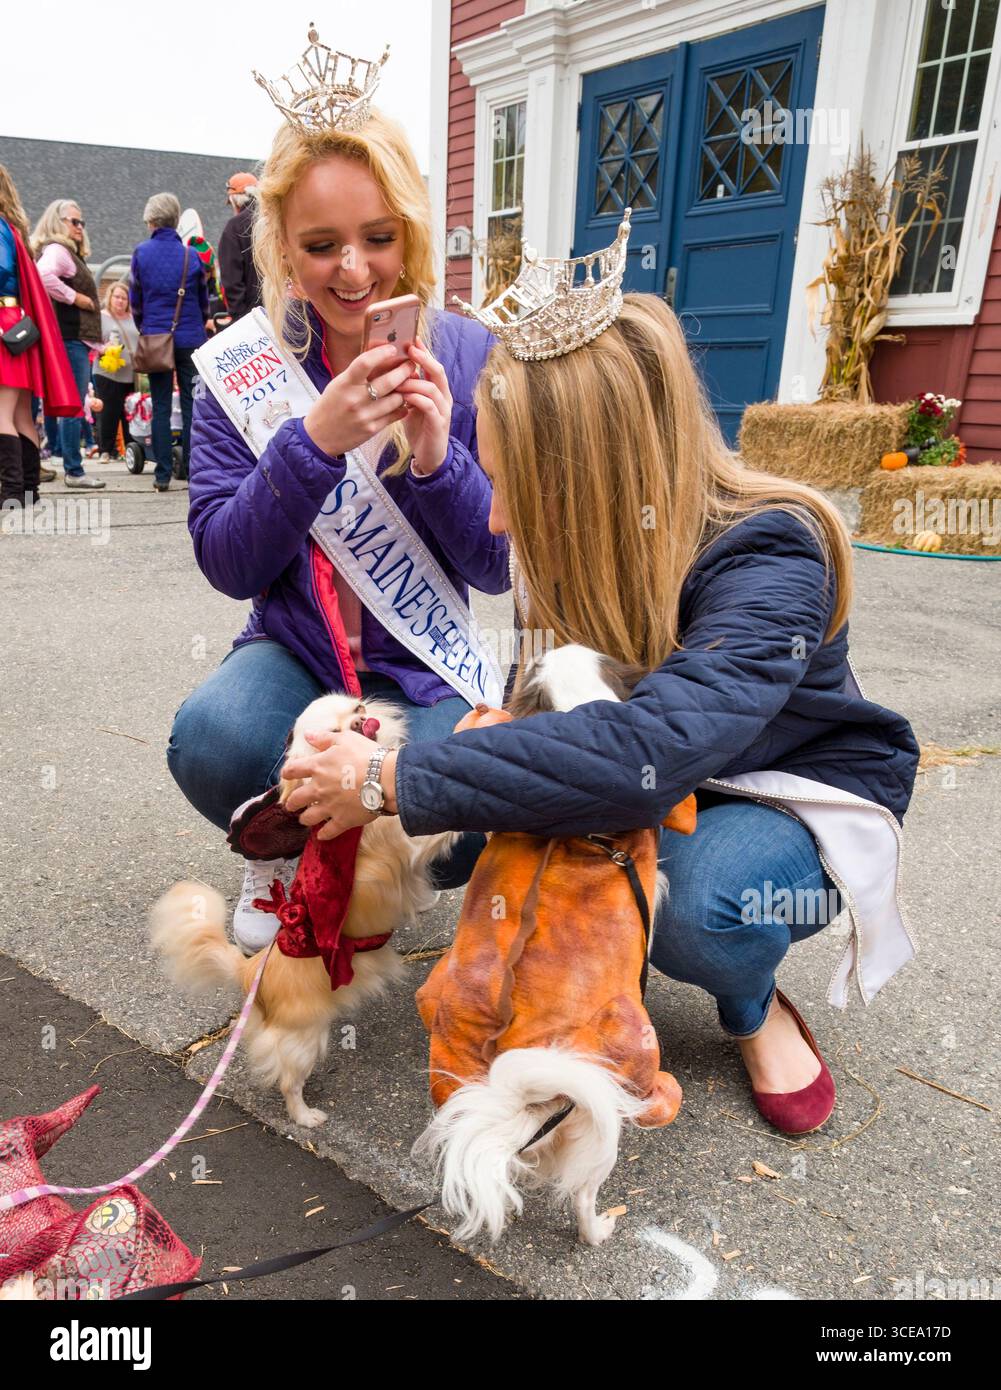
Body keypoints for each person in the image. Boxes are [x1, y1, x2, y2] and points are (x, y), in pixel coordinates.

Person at [279, 276, 921, 1138]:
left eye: (514, 486)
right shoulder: (569, 542)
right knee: (449, 815)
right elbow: (551, 713)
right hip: (629, 764)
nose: (497, 520)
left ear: (597, 477)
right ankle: (562, 972)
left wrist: (390, 779)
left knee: (698, 909)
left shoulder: (771, 550)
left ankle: (750, 1003)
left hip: (772, 784)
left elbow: (645, 750)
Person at [166, 87, 509, 952]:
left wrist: (436, 458)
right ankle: (279, 852)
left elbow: (496, 566)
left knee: (472, 809)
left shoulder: (467, 357)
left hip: (420, 663)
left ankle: (359, 852)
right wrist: (310, 444)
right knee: (213, 740)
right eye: (321, 247)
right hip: (296, 652)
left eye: (378, 239)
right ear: (283, 243)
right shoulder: (245, 366)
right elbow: (227, 562)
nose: (353, 271)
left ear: (411, 232)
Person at [0, 167, 80, 506]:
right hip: (17, 323)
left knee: (3, 412)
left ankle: (10, 492)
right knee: (19, 414)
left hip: (5, 323)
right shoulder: (11, 227)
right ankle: (27, 491)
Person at [129, 192, 211, 491]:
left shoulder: (141, 253)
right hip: (190, 338)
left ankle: (162, 474)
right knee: (192, 405)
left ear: (151, 221)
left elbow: (135, 300)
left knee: (161, 405)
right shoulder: (192, 256)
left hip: (156, 335)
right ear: (176, 221)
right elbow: (204, 303)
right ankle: (191, 470)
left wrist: (146, 327)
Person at [32, 199, 106, 489]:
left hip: (73, 339)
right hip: (71, 339)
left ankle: (68, 463)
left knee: (67, 404)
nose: (79, 227)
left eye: (81, 222)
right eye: (73, 221)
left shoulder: (66, 252)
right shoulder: (58, 251)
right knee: (75, 405)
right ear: (57, 221)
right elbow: (43, 274)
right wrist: (75, 297)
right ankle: (74, 470)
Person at [93, 281, 137, 461]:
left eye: (124, 298)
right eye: (116, 297)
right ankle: (106, 450)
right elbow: (90, 340)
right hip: (106, 371)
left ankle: (131, 450)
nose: (120, 301)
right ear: (110, 297)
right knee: (108, 411)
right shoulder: (101, 316)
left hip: (132, 373)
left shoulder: (134, 318)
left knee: (130, 412)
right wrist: (102, 348)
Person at [217, 172, 261, 320]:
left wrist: (239, 318)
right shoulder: (275, 220)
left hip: (251, 317)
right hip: (281, 312)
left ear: (235, 201)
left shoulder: (234, 227)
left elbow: (231, 280)